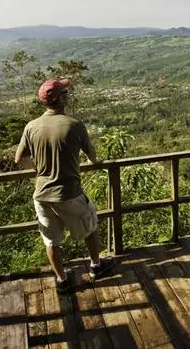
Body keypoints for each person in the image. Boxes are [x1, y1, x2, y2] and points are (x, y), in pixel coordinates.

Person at [15, 77, 113, 293]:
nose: (68, 95)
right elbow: (91, 155)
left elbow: (19, 158)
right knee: (90, 225)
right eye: (65, 93)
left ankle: (61, 280)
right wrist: (96, 163)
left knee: (51, 240)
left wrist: (39, 169)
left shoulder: (31, 127)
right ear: (61, 99)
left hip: (41, 194)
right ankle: (96, 265)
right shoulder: (74, 125)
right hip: (68, 192)